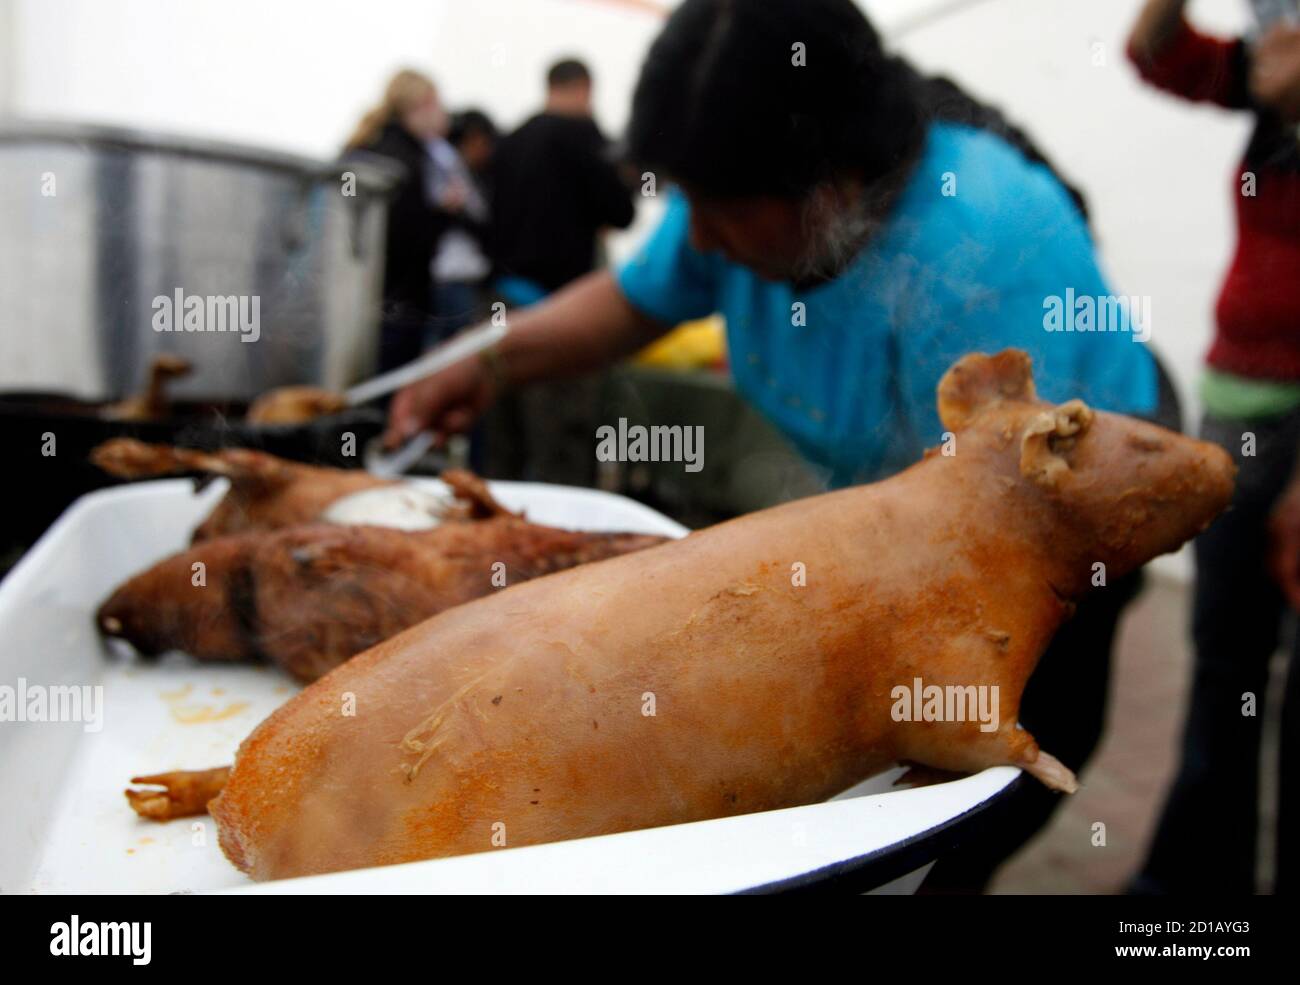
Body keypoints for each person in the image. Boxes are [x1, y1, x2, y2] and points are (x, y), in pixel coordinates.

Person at [386, 0, 1171, 891]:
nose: (700, 234)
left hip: (1059, 545)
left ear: (832, 181)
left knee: (956, 820)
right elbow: (632, 300)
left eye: (717, 208)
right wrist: (486, 365)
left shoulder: (986, 250)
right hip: (912, 523)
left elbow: (985, 545)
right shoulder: (739, 201)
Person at [1126, 0, 1300, 895]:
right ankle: (1196, 884)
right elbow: (1154, 53)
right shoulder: (1269, 97)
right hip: (1240, 407)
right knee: (1224, 657)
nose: (1268, 37)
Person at [478, 58, 636, 484]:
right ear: (585, 89)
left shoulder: (510, 141)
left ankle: (490, 546)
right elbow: (622, 212)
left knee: (501, 448)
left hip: (497, 310)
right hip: (560, 315)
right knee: (561, 453)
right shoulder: (584, 137)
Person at [344, 70, 480, 371]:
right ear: (424, 104)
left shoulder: (368, 145)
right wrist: (445, 213)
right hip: (400, 298)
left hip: (361, 295)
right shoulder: (407, 157)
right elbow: (406, 236)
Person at [428, 110, 498, 340]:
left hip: (457, 276)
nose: (487, 152)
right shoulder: (446, 167)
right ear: (473, 138)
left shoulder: (461, 171)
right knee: (455, 346)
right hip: (452, 275)